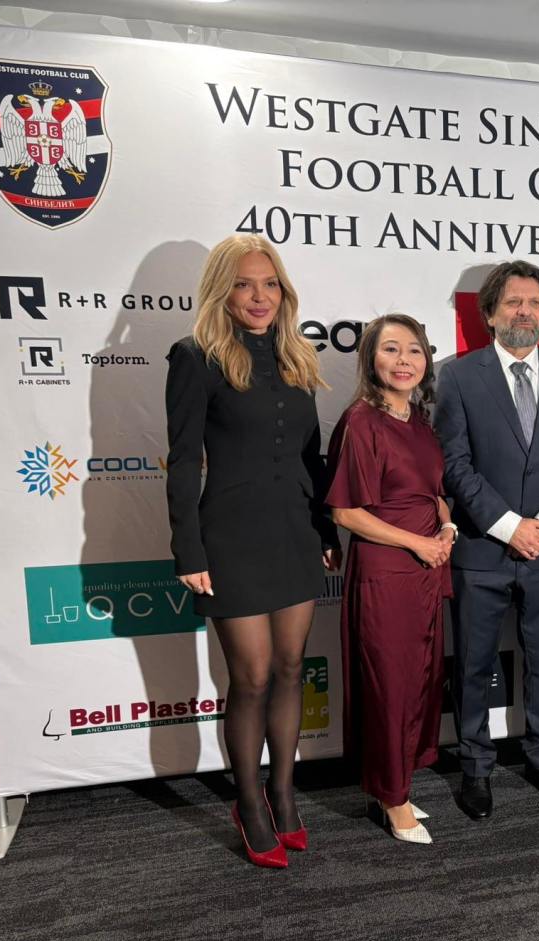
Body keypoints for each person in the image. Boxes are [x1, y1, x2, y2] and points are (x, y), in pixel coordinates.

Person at [165, 235, 339, 868]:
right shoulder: (195, 357)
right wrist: (188, 549)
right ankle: (249, 803)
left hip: (294, 533)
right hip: (231, 538)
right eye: (243, 284)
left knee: (292, 668)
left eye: (269, 284)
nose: (259, 296)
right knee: (253, 677)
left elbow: (312, 457)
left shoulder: (298, 356)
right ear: (222, 290)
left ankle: (283, 796)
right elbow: (182, 461)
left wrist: (325, 531)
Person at [435, 260, 539, 819]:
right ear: (489, 313)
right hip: (482, 551)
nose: (524, 312)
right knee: (473, 664)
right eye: (512, 302)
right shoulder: (458, 377)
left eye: (534, 303)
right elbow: (455, 464)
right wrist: (509, 526)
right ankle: (475, 768)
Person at [325, 314, 454, 845]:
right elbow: (345, 512)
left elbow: (433, 491)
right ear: (370, 359)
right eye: (391, 349)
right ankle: (392, 797)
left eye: (414, 350)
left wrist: (446, 527)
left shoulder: (419, 421)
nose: (405, 360)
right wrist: (418, 543)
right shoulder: (360, 422)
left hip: (426, 572)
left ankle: (393, 787)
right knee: (389, 688)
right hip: (385, 574)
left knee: (417, 682)